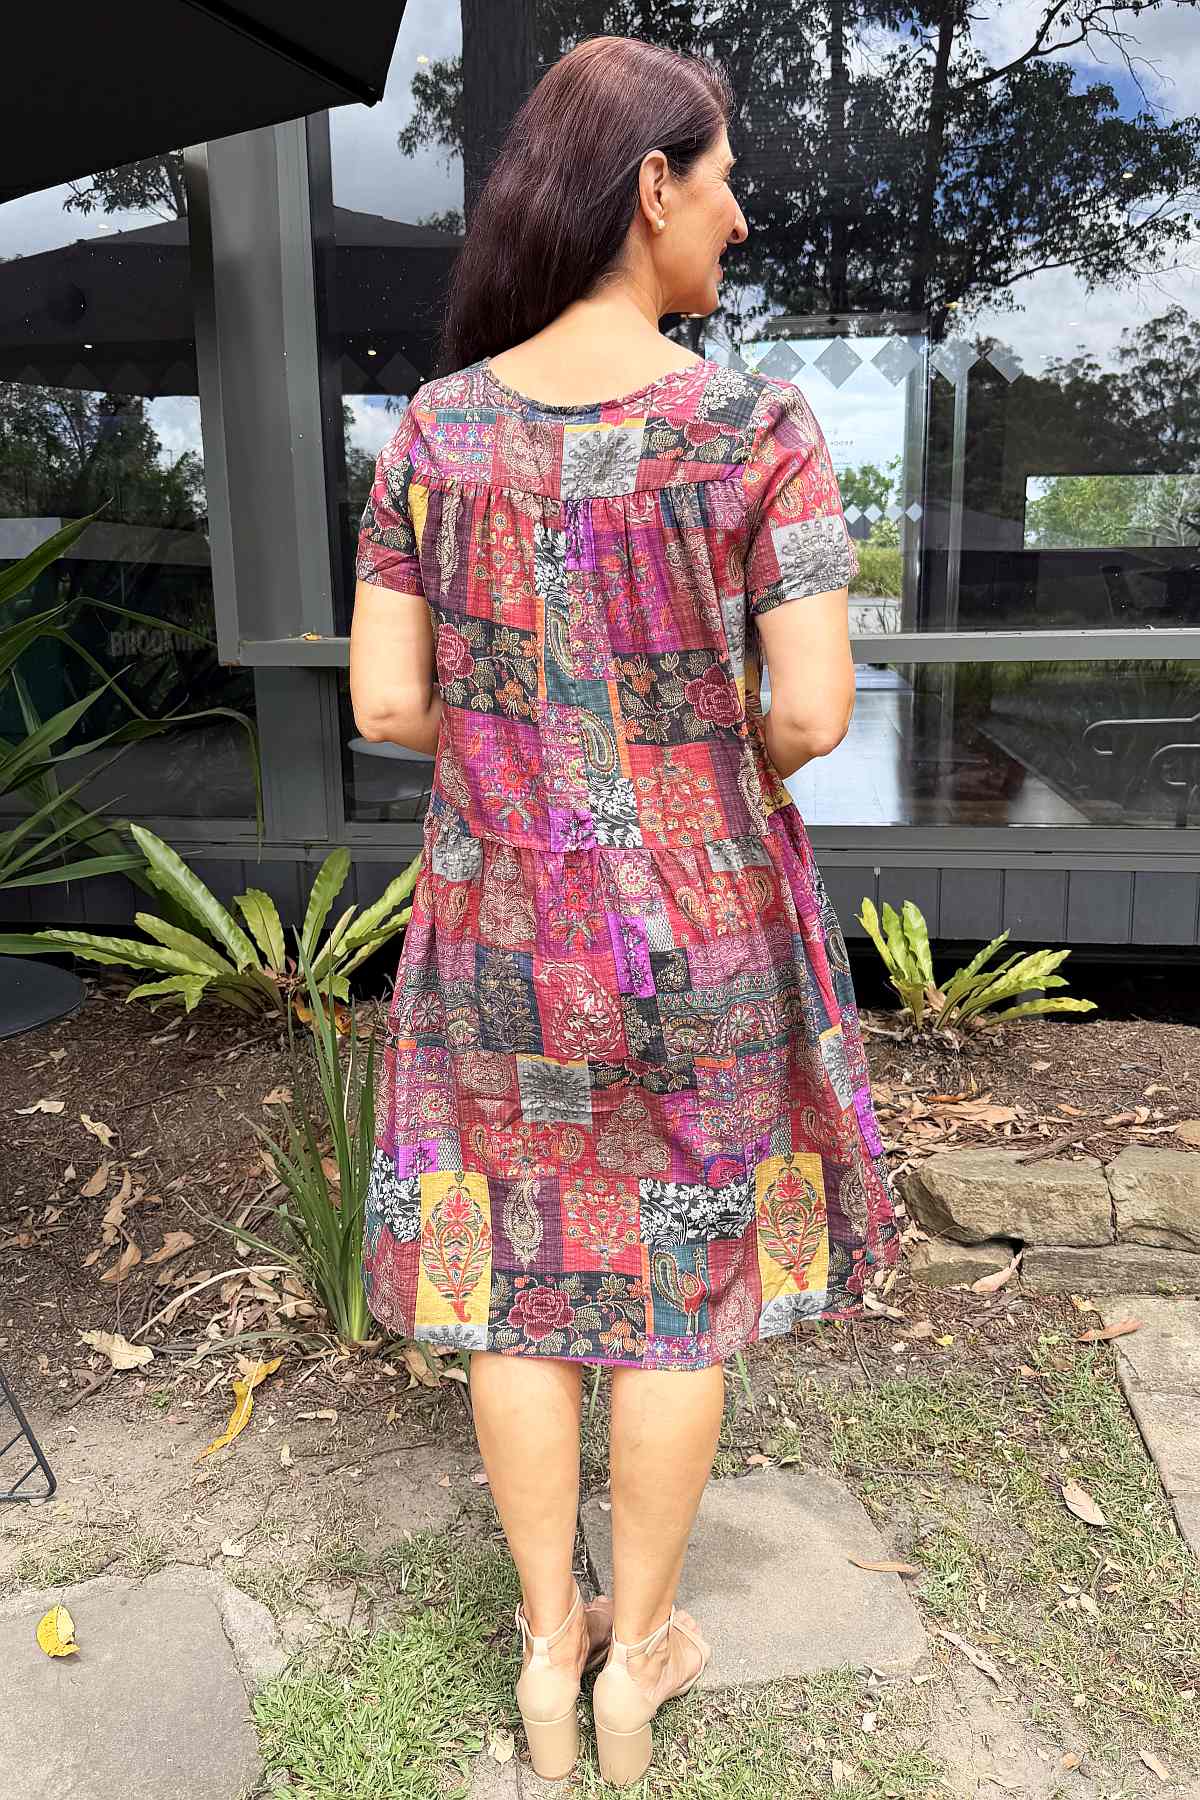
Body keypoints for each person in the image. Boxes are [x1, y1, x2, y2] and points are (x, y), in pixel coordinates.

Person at [349, 33, 902, 1789]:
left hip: (499, 922)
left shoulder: (435, 430)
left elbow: (385, 701)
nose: (739, 217)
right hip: (700, 925)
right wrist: (672, 767)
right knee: (680, 1278)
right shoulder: (756, 426)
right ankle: (639, 1656)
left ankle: (547, 1648)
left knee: (517, 1281)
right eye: (723, 179)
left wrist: (536, 745)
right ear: (651, 184)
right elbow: (813, 712)